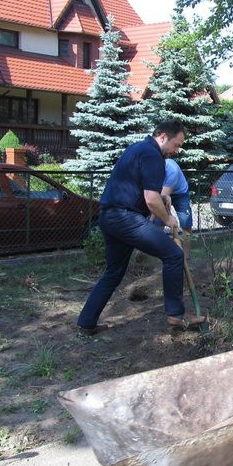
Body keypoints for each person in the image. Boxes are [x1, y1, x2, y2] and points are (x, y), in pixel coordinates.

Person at [76, 120, 206, 335]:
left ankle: (86, 323)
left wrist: (163, 195)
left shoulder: (138, 149)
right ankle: (176, 315)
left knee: (113, 272)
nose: (177, 151)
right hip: (125, 218)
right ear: (163, 137)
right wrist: (168, 220)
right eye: (176, 144)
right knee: (174, 255)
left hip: (109, 216)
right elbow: (150, 199)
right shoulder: (153, 155)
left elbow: (145, 190)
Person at [157, 157, 194, 258]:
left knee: (186, 224)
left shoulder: (171, 170)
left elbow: (162, 199)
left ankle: (186, 257)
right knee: (157, 225)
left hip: (180, 193)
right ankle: (155, 255)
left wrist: (166, 216)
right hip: (162, 193)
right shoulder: (152, 167)